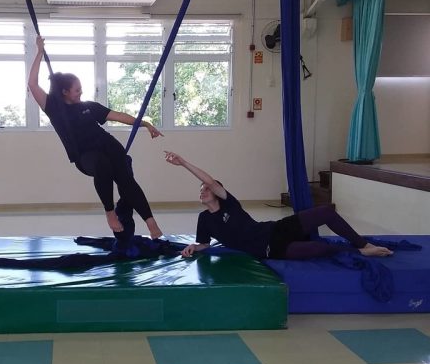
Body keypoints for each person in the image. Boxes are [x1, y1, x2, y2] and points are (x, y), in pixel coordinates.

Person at [28, 35, 164, 238]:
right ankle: (110, 213)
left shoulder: (89, 107)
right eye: (77, 90)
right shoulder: (54, 108)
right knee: (103, 166)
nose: (80, 93)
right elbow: (32, 84)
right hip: (85, 156)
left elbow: (118, 116)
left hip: (108, 145)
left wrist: (144, 123)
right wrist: (39, 52)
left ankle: (151, 221)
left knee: (126, 180)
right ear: (64, 92)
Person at [163, 151, 393, 259]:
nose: (203, 191)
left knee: (325, 212)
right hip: (268, 250)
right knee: (317, 249)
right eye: (201, 190)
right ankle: (359, 251)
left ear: (216, 194)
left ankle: (365, 244)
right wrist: (193, 247)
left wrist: (183, 163)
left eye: (206, 189)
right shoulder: (204, 219)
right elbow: (204, 244)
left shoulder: (229, 204)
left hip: (275, 229)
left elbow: (211, 181)